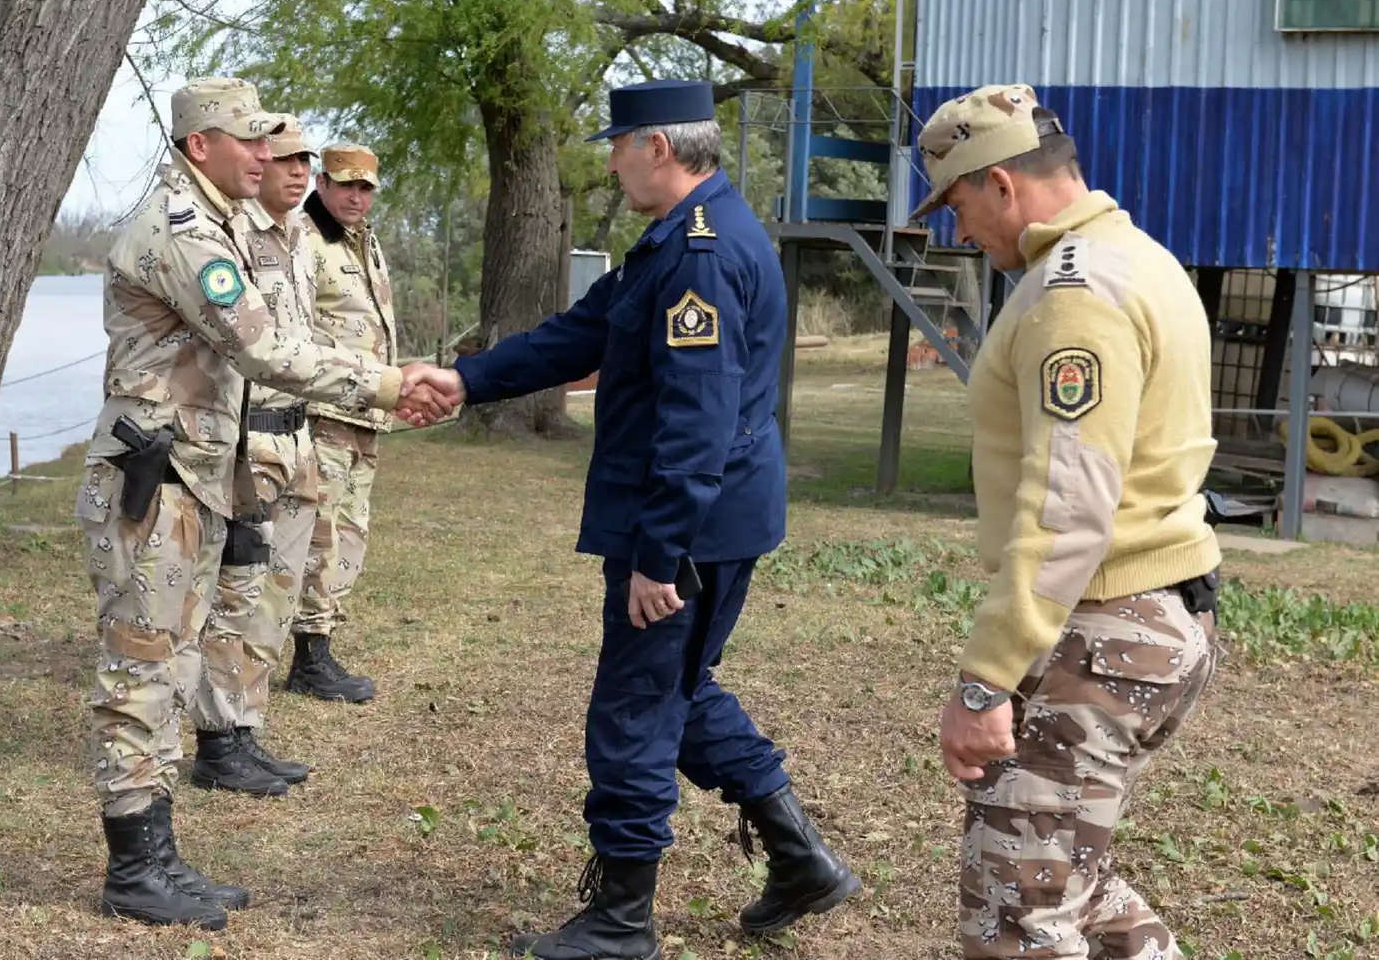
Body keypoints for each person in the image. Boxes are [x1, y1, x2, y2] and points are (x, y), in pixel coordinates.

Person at [402, 78, 859, 960]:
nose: (609, 159)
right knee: (675, 697)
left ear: (659, 147)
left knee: (635, 710)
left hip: (688, 529)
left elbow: (697, 424)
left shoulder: (699, 254)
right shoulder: (677, 241)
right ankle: (800, 859)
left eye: (618, 144)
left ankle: (621, 918)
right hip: (706, 520)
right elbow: (580, 334)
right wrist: (467, 379)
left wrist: (660, 555)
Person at [77, 77, 450, 932]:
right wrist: (390, 383)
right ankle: (135, 866)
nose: (267, 154)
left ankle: (154, 853)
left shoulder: (220, 223)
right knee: (143, 666)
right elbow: (263, 345)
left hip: (192, 477)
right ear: (199, 145)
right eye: (248, 140)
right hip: (155, 482)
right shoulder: (178, 232)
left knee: (171, 664)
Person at [914, 84, 1223, 960]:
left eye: (958, 204)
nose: (958, 229)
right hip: (1159, 616)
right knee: (1071, 884)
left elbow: (1069, 504)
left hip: (1101, 631)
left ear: (1002, 184)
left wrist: (985, 680)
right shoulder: (1139, 258)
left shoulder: (1070, 294)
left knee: (1018, 912)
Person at [185, 114, 326, 798]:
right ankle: (217, 738)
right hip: (251, 440)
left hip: (298, 436)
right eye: (283, 158)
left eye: (305, 160)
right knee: (236, 596)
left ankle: (245, 727)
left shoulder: (303, 239)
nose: (296, 171)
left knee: (278, 595)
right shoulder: (231, 234)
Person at [283, 144, 398, 703]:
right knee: (319, 533)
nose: (357, 196)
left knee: (351, 531)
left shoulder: (364, 240)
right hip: (325, 410)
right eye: (346, 185)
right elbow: (292, 330)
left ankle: (320, 641)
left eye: (366, 187)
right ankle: (308, 654)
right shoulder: (303, 239)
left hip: (365, 413)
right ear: (322, 183)